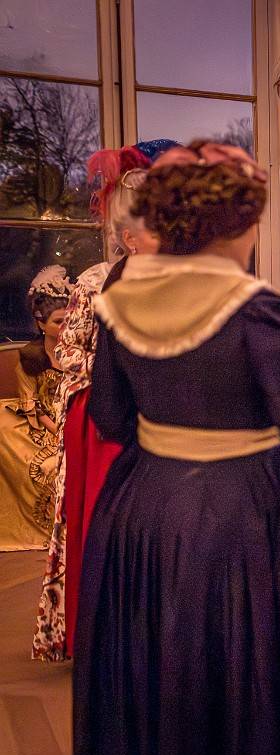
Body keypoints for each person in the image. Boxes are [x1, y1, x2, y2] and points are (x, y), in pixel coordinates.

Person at [74, 141, 280, 755]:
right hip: (246, 515)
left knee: (158, 665)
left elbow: (110, 418)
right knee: (252, 665)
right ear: (230, 226)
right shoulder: (254, 305)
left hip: (145, 512)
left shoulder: (118, 301)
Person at [33, 139, 175, 662]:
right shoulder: (96, 282)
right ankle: (110, 640)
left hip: (166, 416)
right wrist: (124, 377)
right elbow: (68, 353)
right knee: (109, 526)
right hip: (105, 422)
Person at [0, 267, 72, 551]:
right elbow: (33, 405)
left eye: (68, 320)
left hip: (73, 416)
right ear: (41, 324)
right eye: (58, 322)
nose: (64, 328)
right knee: (41, 465)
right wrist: (58, 430)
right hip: (43, 423)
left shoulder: (78, 352)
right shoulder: (31, 357)